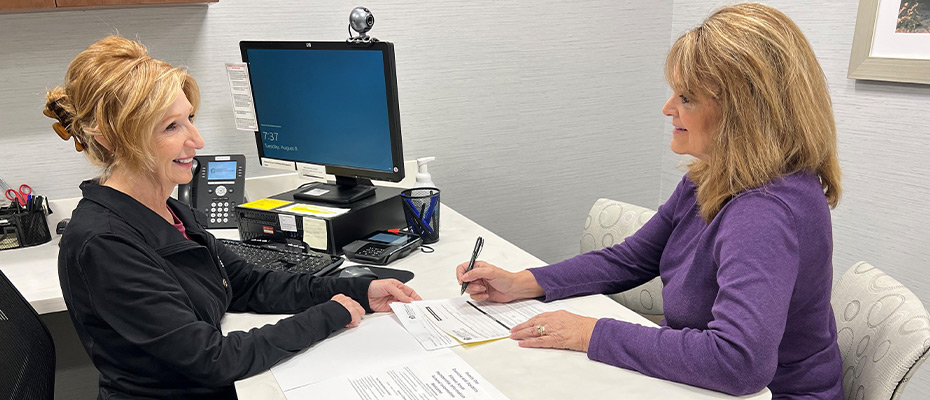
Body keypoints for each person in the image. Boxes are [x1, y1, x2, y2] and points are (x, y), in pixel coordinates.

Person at [457, 4, 843, 398]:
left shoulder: (765, 211)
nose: (667, 108)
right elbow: (633, 258)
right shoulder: (712, 176)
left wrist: (589, 332)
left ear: (743, 113)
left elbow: (738, 361)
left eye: (687, 98)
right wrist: (524, 283)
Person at [46, 36, 421, 399]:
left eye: (189, 118)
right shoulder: (105, 243)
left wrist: (358, 291)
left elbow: (244, 284)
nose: (197, 140)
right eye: (170, 127)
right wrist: (330, 315)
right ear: (114, 138)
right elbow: (213, 359)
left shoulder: (167, 210)